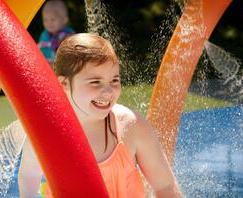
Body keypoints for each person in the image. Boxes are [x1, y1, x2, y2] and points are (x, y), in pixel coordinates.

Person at [18, 33, 182, 198]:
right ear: (63, 84)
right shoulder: (45, 134)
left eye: (114, 80)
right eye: (95, 82)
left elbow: (165, 186)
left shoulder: (131, 126)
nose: (108, 92)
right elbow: (29, 177)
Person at [38, 0, 75, 66]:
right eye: (45, 19)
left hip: (63, 67)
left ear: (64, 20)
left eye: (52, 19)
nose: (49, 23)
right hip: (46, 66)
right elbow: (40, 49)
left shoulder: (68, 35)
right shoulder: (44, 35)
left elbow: (74, 52)